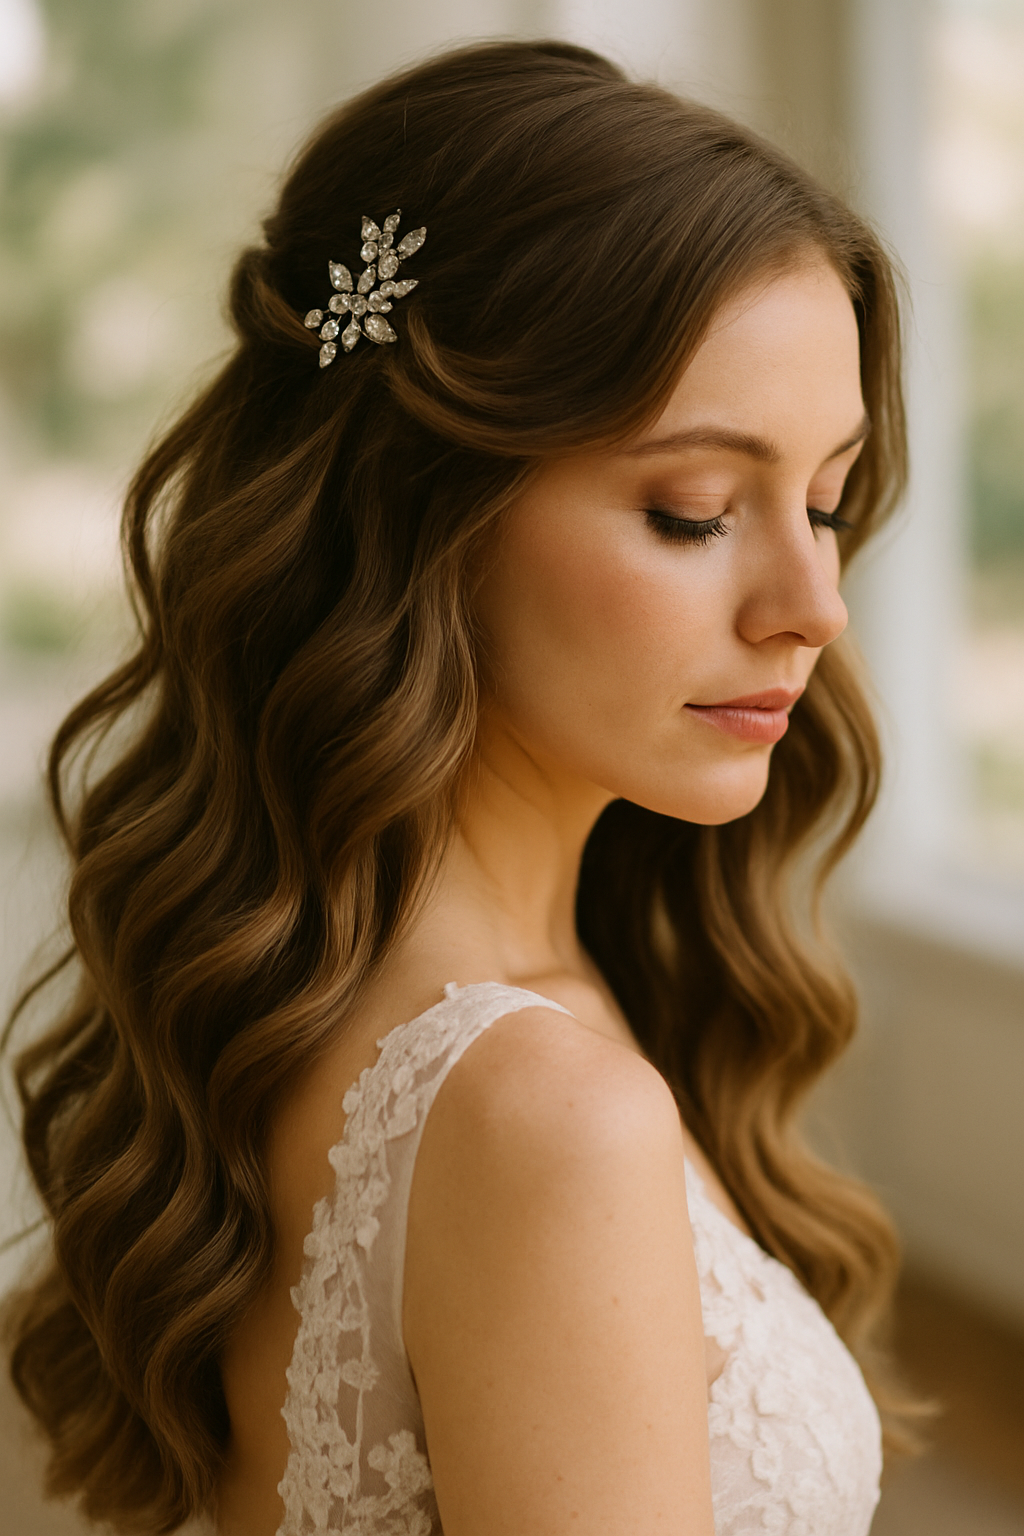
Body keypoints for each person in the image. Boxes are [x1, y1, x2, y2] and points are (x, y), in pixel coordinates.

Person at [4, 37, 919, 1536]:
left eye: (825, 499)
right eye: (693, 511)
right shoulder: (542, 1116)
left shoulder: (300, 992)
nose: (811, 602)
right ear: (422, 508)